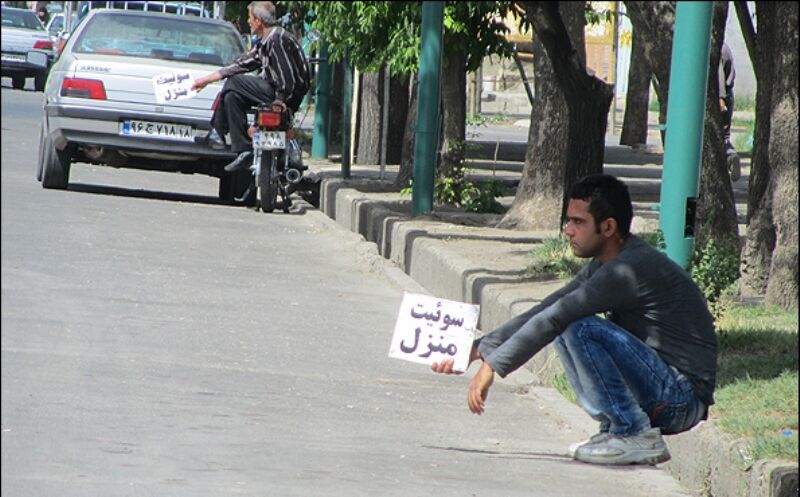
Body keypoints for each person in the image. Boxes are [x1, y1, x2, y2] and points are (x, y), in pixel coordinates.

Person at [432, 174, 717, 466]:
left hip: (680, 399)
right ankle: (616, 430)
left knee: (579, 327)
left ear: (608, 227)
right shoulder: (607, 264)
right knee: (568, 319)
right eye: (568, 221)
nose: (568, 231)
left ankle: (634, 432)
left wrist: (494, 366)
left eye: (578, 222)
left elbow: (558, 316)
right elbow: (550, 307)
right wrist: (480, 348)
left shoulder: (627, 269)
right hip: (665, 389)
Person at [192, 1, 310, 173]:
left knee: (234, 82)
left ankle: (217, 130)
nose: (248, 21)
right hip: (276, 92)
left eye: (250, 18)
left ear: (259, 20)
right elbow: (241, 64)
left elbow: (288, 78)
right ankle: (244, 149)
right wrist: (205, 80)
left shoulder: (277, 38)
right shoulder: (265, 41)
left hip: (287, 96)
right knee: (232, 96)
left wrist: (280, 100)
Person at [719, 42, 740, 182]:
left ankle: (729, 157)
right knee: (724, 135)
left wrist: (720, 98)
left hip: (721, 97)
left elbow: (718, 75)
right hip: (729, 94)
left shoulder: (716, 49)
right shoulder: (726, 47)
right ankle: (731, 156)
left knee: (717, 135)